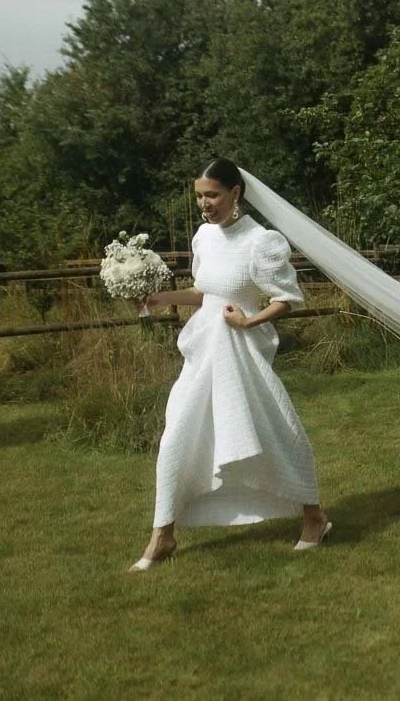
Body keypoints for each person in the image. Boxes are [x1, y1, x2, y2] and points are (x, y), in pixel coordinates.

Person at [129, 157, 330, 571]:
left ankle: (314, 517)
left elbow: (287, 299)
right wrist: (163, 298)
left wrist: (249, 320)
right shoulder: (203, 237)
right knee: (176, 436)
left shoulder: (262, 242)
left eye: (213, 195)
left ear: (235, 193)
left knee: (274, 433)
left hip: (241, 354)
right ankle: (162, 535)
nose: (205, 204)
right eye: (200, 196)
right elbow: (205, 293)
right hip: (203, 351)